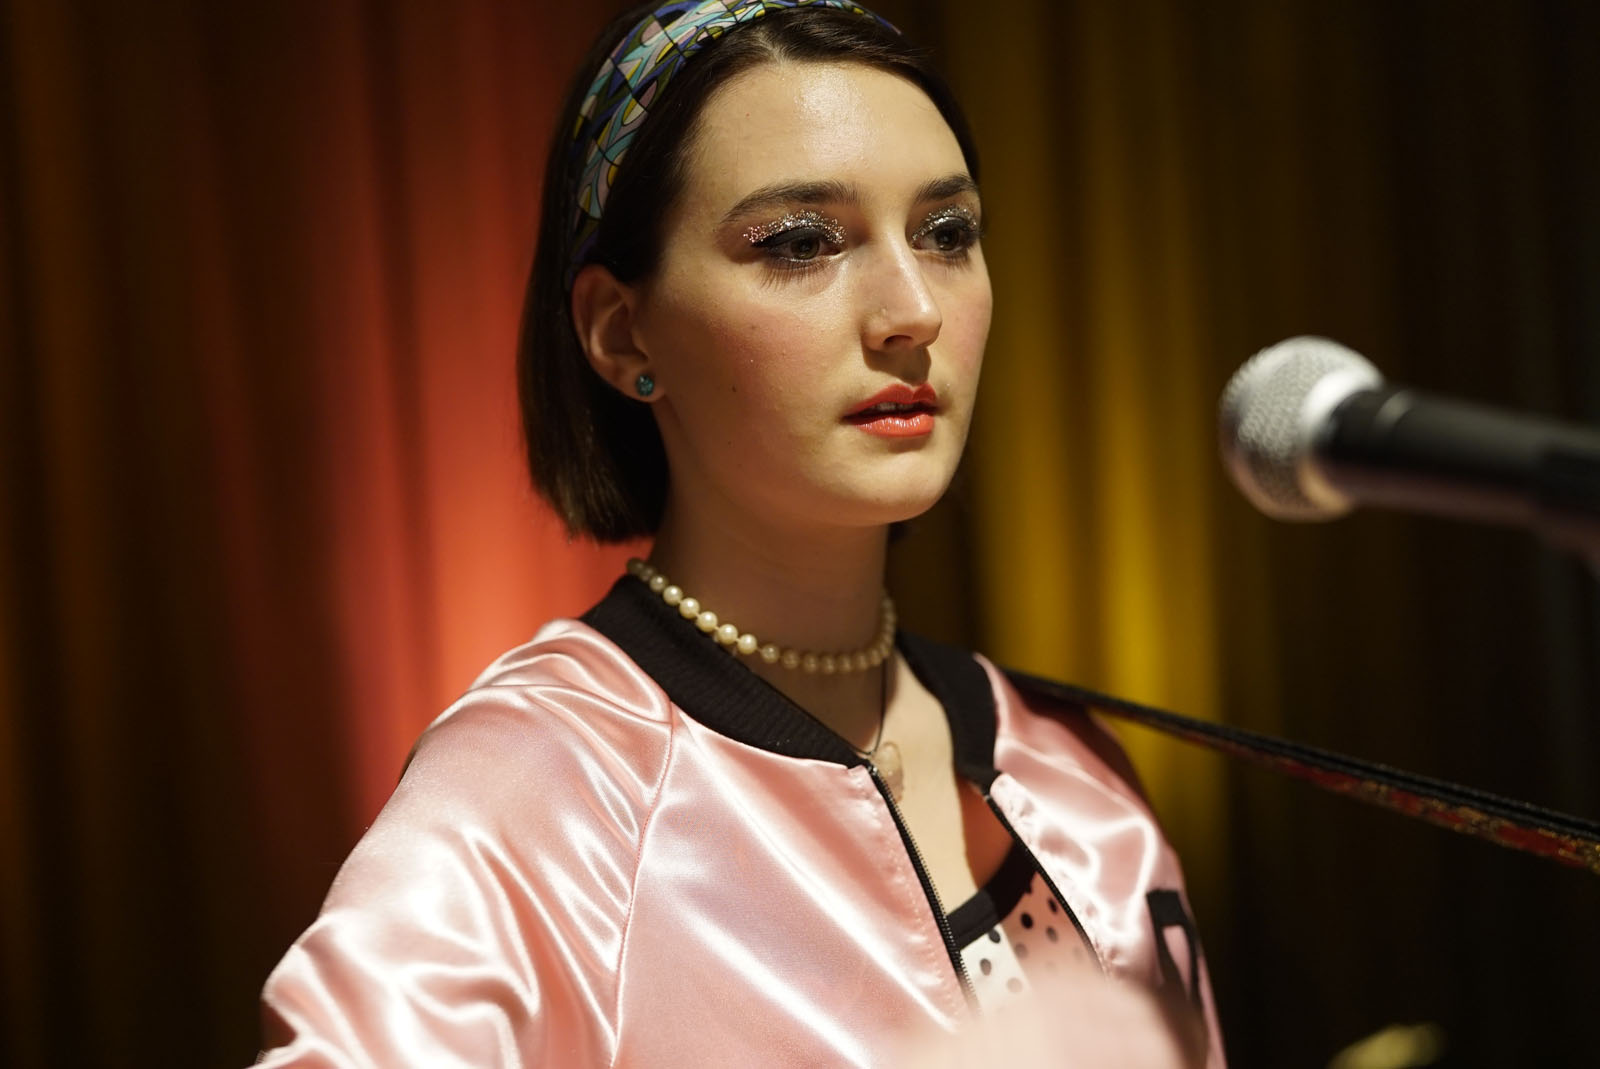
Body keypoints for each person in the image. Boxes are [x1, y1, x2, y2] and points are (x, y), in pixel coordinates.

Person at [256, 2, 1225, 1065]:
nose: (913, 309)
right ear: (622, 332)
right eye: (801, 243)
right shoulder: (550, 782)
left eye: (946, 233)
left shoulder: (1073, 770)